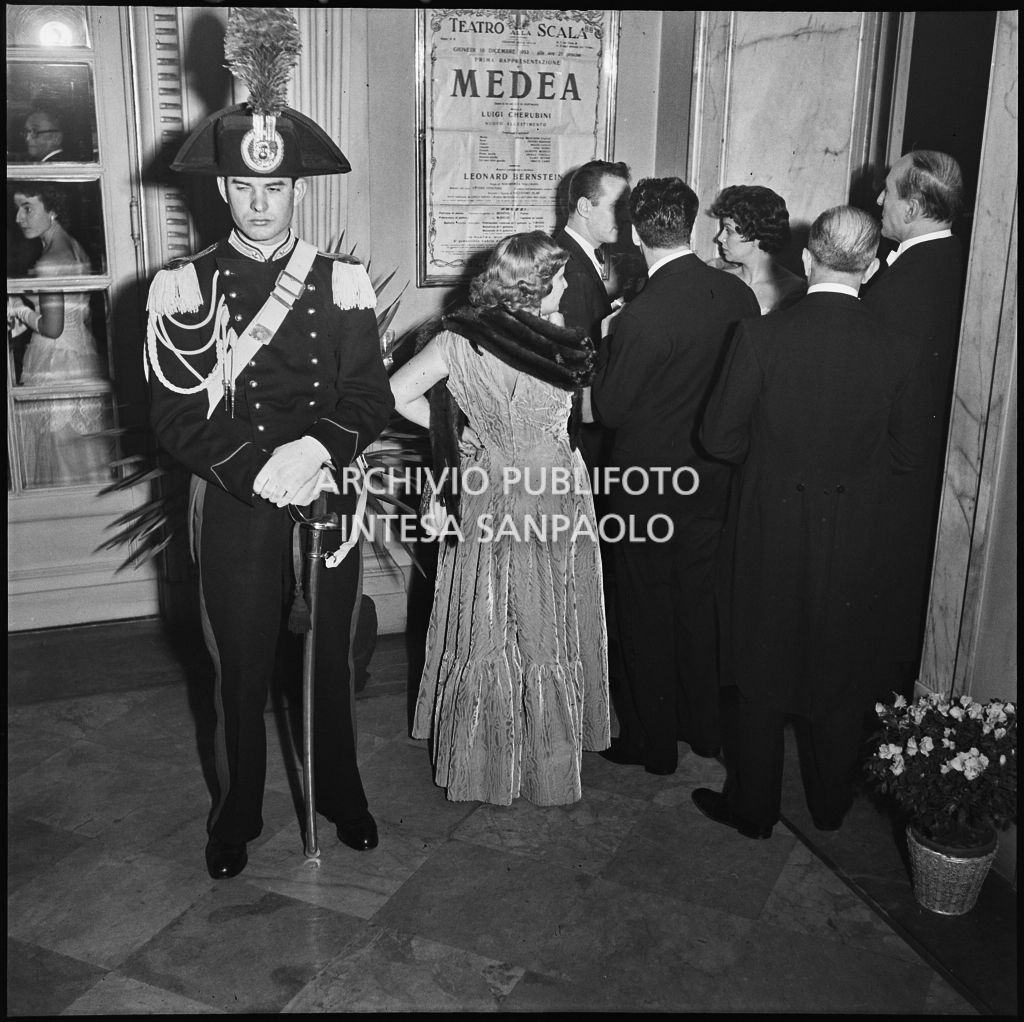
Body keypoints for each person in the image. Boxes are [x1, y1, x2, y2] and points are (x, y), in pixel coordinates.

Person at [144, 9, 394, 880]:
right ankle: (238, 812)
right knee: (239, 669)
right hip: (236, 499)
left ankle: (341, 794)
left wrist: (315, 452)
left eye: (276, 187)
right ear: (223, 189)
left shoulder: (344, 282)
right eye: (245, 188)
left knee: (330, 658)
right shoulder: (182, 286)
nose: (260, 202)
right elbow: (177, 417)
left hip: (324, 492)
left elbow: (367, 396)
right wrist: (260, 470)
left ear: (297, 190)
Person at [692, 206, 923, 839]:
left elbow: (718, 438)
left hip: (768, 528)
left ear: (807, 258)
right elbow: (908, 454)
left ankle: (754, 808)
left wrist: (773, 463)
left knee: (760, 668)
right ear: (871, 268)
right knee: (842, 667)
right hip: (855, 534)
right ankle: (828, 806)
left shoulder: (759, 337)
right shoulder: (901, 347)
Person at [390, 231, 610, 806]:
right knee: (544, 621)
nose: (566, 284)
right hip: (552, 493)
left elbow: (395, 395)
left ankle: (483, 761)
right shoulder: (562, 345)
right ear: (537, 286)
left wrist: (461, 434)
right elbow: (586, 418)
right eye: (559, 277)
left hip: (486, 487)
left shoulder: (458, 339)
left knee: (487, 616)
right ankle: (545, 761)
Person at [590, 177, 760, 775]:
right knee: (697, 605)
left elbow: (610, 409)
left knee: (643, 611)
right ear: (691, 226)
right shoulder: (737, 296)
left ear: (637, 234)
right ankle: (704, 730)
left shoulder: (640, 316)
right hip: (712, 478)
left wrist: (608, 344)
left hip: (646, 488)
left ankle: (652, 743)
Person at [861, 150, 965, 700]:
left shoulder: (906, 287)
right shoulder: (953, 262)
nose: (879, 199)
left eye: (888, 190)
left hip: (892, 479)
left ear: (915, 205)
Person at [8, 182, 110, 485]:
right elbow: (76, 312)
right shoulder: (74, 248)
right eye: (17, 209)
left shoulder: (50, 260)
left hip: (55, 363)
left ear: (52, 210)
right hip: (82, 357)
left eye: (27, 209)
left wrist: (18, 308)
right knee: (82, 456)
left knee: (59, 456)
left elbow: (52, 328)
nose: (18, 218)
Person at [555, 159, 630, 470]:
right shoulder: (573, 270)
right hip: (581, 433)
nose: (625, 217)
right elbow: (577, 366)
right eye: (616, 206)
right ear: (585, 207)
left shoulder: (571, 255)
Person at [708, 185, 806, 314]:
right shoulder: (718, 279)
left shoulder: (794, 290)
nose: (720, 238)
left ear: (756, 235)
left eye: (729, 231)